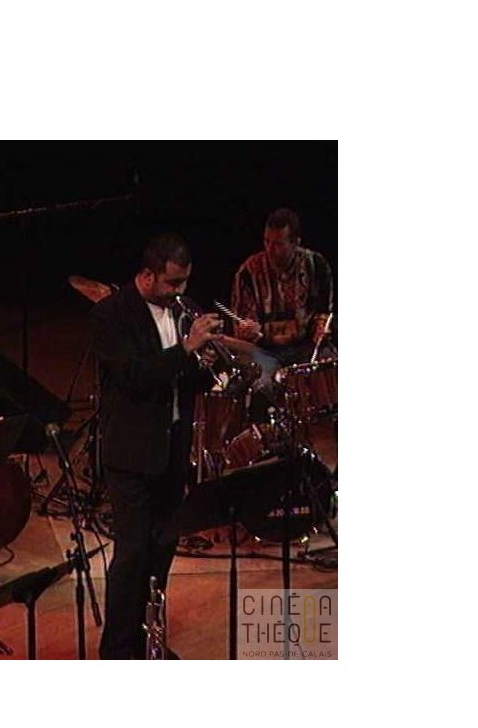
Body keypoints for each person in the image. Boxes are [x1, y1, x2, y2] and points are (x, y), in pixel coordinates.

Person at [89, 233, 221, 659]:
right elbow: (134, 377)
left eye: (185, 282)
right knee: (132, 556)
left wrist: (208, 365)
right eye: (173, 283)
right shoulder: (111, 314)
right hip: (131, 454)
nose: (180, 292)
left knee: (162, 551)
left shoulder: (180, 310)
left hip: (171, 450)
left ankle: (150, 642)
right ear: (147, 275)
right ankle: (118, 651)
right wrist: (186, 349)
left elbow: (186, 380)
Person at [230, 208, 334, 409]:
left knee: (328, 374)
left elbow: (323, 315)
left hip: (305, 348)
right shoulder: (248, 273)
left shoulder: (316, 266)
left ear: (295, 242)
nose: (270, 249)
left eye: (278, 244)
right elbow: (242, 324)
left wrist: (322, 329)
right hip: (265, 351)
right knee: (260, 384)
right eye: (266, 241)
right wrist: (247, 330)